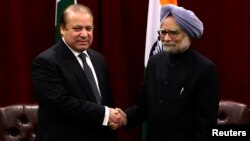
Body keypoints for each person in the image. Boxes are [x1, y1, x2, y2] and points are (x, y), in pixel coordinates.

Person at [119, 4, 220, 141]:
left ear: (188, 34)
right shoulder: (155, 62)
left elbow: (205, 126)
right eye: (163, 32)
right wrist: (124, 118)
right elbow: (144, 106)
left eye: (173, 33)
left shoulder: (205, 69)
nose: (166, 39)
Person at [32, 4, 123, 141]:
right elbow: (60, 103)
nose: (84, 34)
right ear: (62, 29)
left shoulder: (98, 59)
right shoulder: (46, 62)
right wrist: (106, 114)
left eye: (89, 28)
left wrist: (113, 118)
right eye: (77, 28)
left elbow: (104, 99)